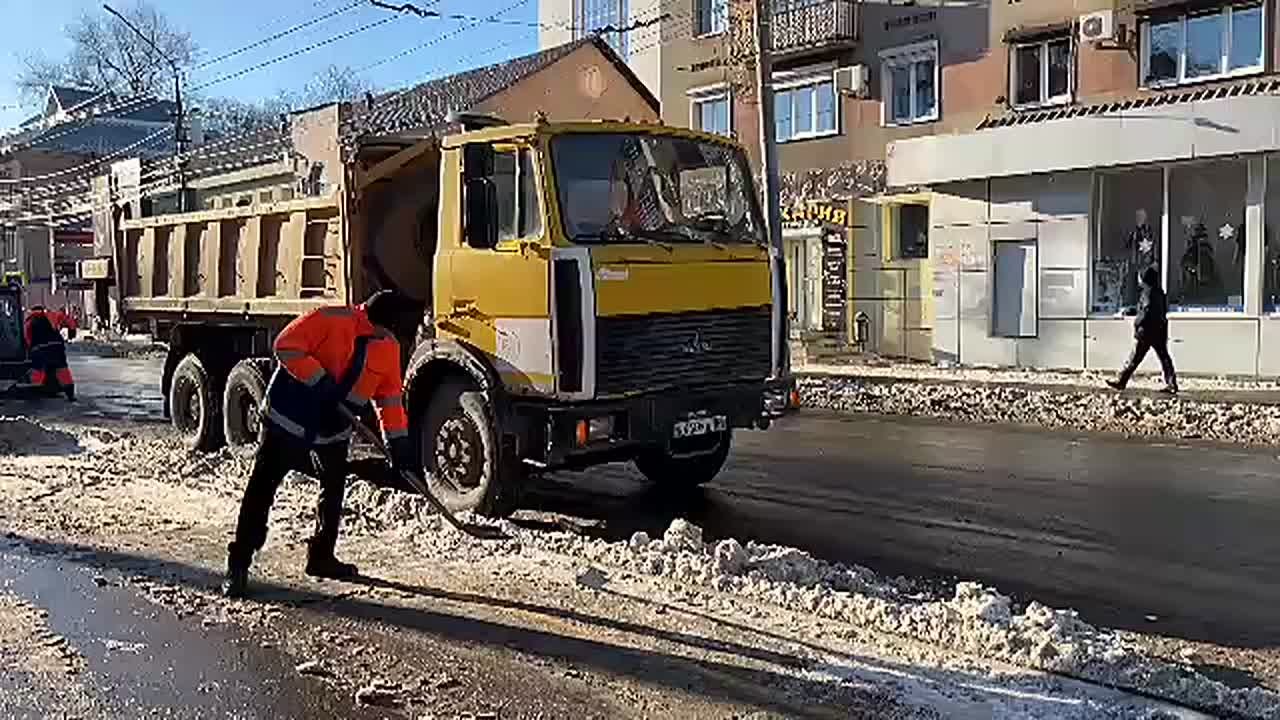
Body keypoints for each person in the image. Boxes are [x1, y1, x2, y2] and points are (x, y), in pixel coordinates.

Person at [222, 290, 419, 599]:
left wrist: (398, 444)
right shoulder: (330, 319)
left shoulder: (388, 347)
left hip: (333, 428)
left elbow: (389, 399)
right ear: (380, 322)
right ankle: (238, 564)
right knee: (262, 488)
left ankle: (321, 557)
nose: (394, 338)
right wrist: (319, 381)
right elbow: (285, 345)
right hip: (289, 418)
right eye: (393, 331)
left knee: (333, 487)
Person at [1108, 266, 1178, 394]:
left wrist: (1136, 323)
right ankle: (1171, 383)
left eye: (1140, 277)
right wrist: (1132, 310)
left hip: (1146, 331)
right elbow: (1152, 309)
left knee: (1134, 357)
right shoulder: (1159, 292)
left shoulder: (1147, 292)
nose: (1138, 279)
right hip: (1160, 329)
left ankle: (1121, 381)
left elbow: (1146, 311)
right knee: (1164, 357)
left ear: (1145, 279)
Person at [24, 305, 75, 401]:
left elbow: (27, 337)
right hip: (56, 346)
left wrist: (29, 349)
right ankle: (70, 393)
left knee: (38, 370)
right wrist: (72, 331)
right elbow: (68, 320)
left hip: (40, 348)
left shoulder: (30, 320)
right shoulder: (52, 315)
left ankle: (34, 392)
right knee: (62, 369)